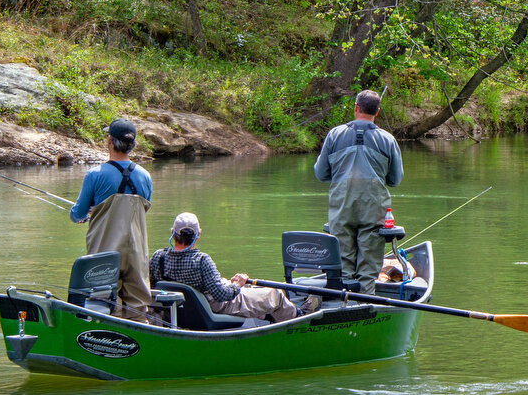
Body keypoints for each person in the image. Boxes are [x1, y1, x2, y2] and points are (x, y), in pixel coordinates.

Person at [314, 89, 404, 291]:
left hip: (341, 208)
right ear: (377, 112)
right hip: (374, 210)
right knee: (369, 270)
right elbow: (395, 180)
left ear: (356, 108)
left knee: (342, 268)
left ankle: (342, 303)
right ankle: (365, 304)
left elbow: (320, 174)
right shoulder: (388, 140)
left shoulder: (334, 135)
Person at [69, 118, 155, 322]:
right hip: (136, 252)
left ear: (109, 140)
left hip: (104, 251)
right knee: (137, 306)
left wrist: (86, 213)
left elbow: (77, 214)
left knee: (104, 304)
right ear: (132, 145)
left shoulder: (95, 175)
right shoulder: (145, 176)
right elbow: (143, 210)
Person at [149, 212, 303, 323]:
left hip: (179, 309)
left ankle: (269, 318)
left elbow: (151, 285)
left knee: (252, 289)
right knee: (275, 295)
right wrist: (237, 285)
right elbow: (222, 295)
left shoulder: (158, 257)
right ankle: (299, 319)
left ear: (172, 233)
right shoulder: (202, 260)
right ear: (198, 234)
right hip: (213, 306)